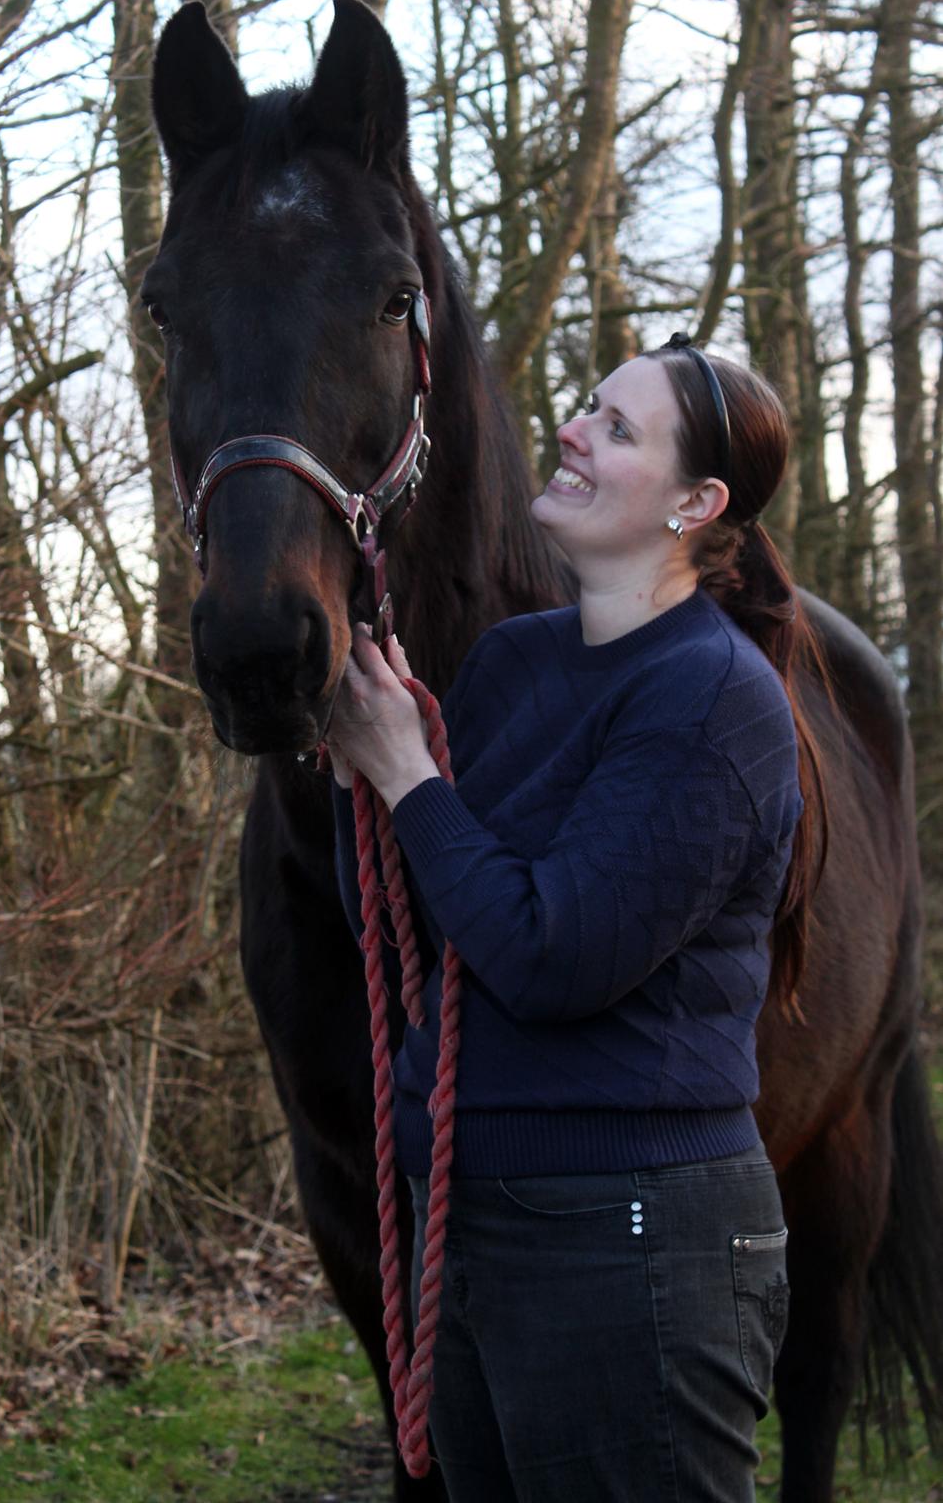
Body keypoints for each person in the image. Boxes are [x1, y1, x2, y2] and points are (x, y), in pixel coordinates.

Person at [325, 335, 825, 1503]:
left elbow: (554, 956)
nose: (570, 428)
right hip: (467, 1221)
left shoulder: (710, 697)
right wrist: (360, 770)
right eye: (585, 406)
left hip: (635, 1238)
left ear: (696, 504)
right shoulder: (512, 665)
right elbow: (412, 927)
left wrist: (412, 781)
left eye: (616, 427)